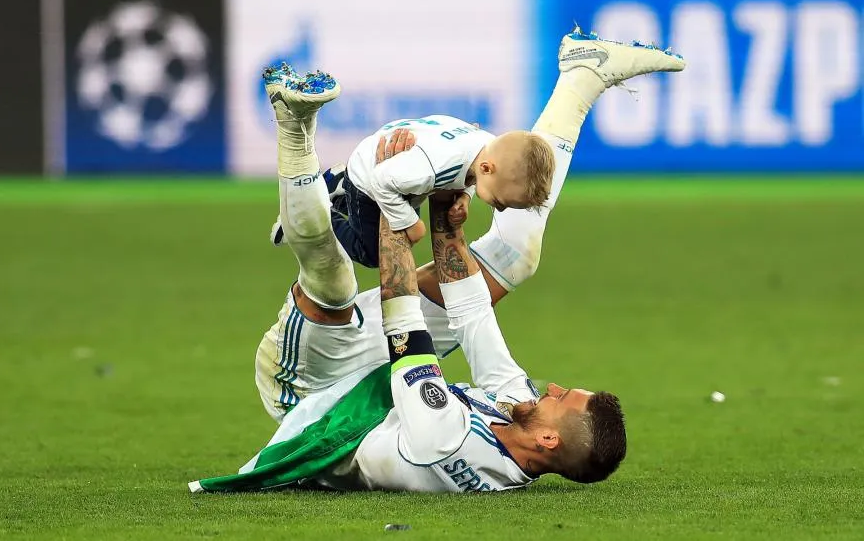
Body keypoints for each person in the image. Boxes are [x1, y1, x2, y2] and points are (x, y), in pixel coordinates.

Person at [189, 28, 685, 493]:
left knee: (333, 281)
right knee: (516, 256)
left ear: (550, 441)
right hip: (382, 366)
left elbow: (400, 307)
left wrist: (398, 192)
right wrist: (446, 201)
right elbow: (471, 313)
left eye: (562, 397)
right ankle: (583, 75)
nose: (551, 386)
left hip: (316, 392)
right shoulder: (518, 417)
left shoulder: (444, 439)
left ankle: (294, 126)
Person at [267, 64, 557, 268]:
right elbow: (383, 179)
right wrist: (410, 223)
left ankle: (335, 181)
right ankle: (312, 213)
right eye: (502, 202)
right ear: (486, 170)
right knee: (372, 253)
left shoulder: (487, 147)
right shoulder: (436, 167)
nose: (501, 210)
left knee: (405, 201)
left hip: (403, 161)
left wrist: (466, 196)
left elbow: (469, 172)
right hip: (371, 176)